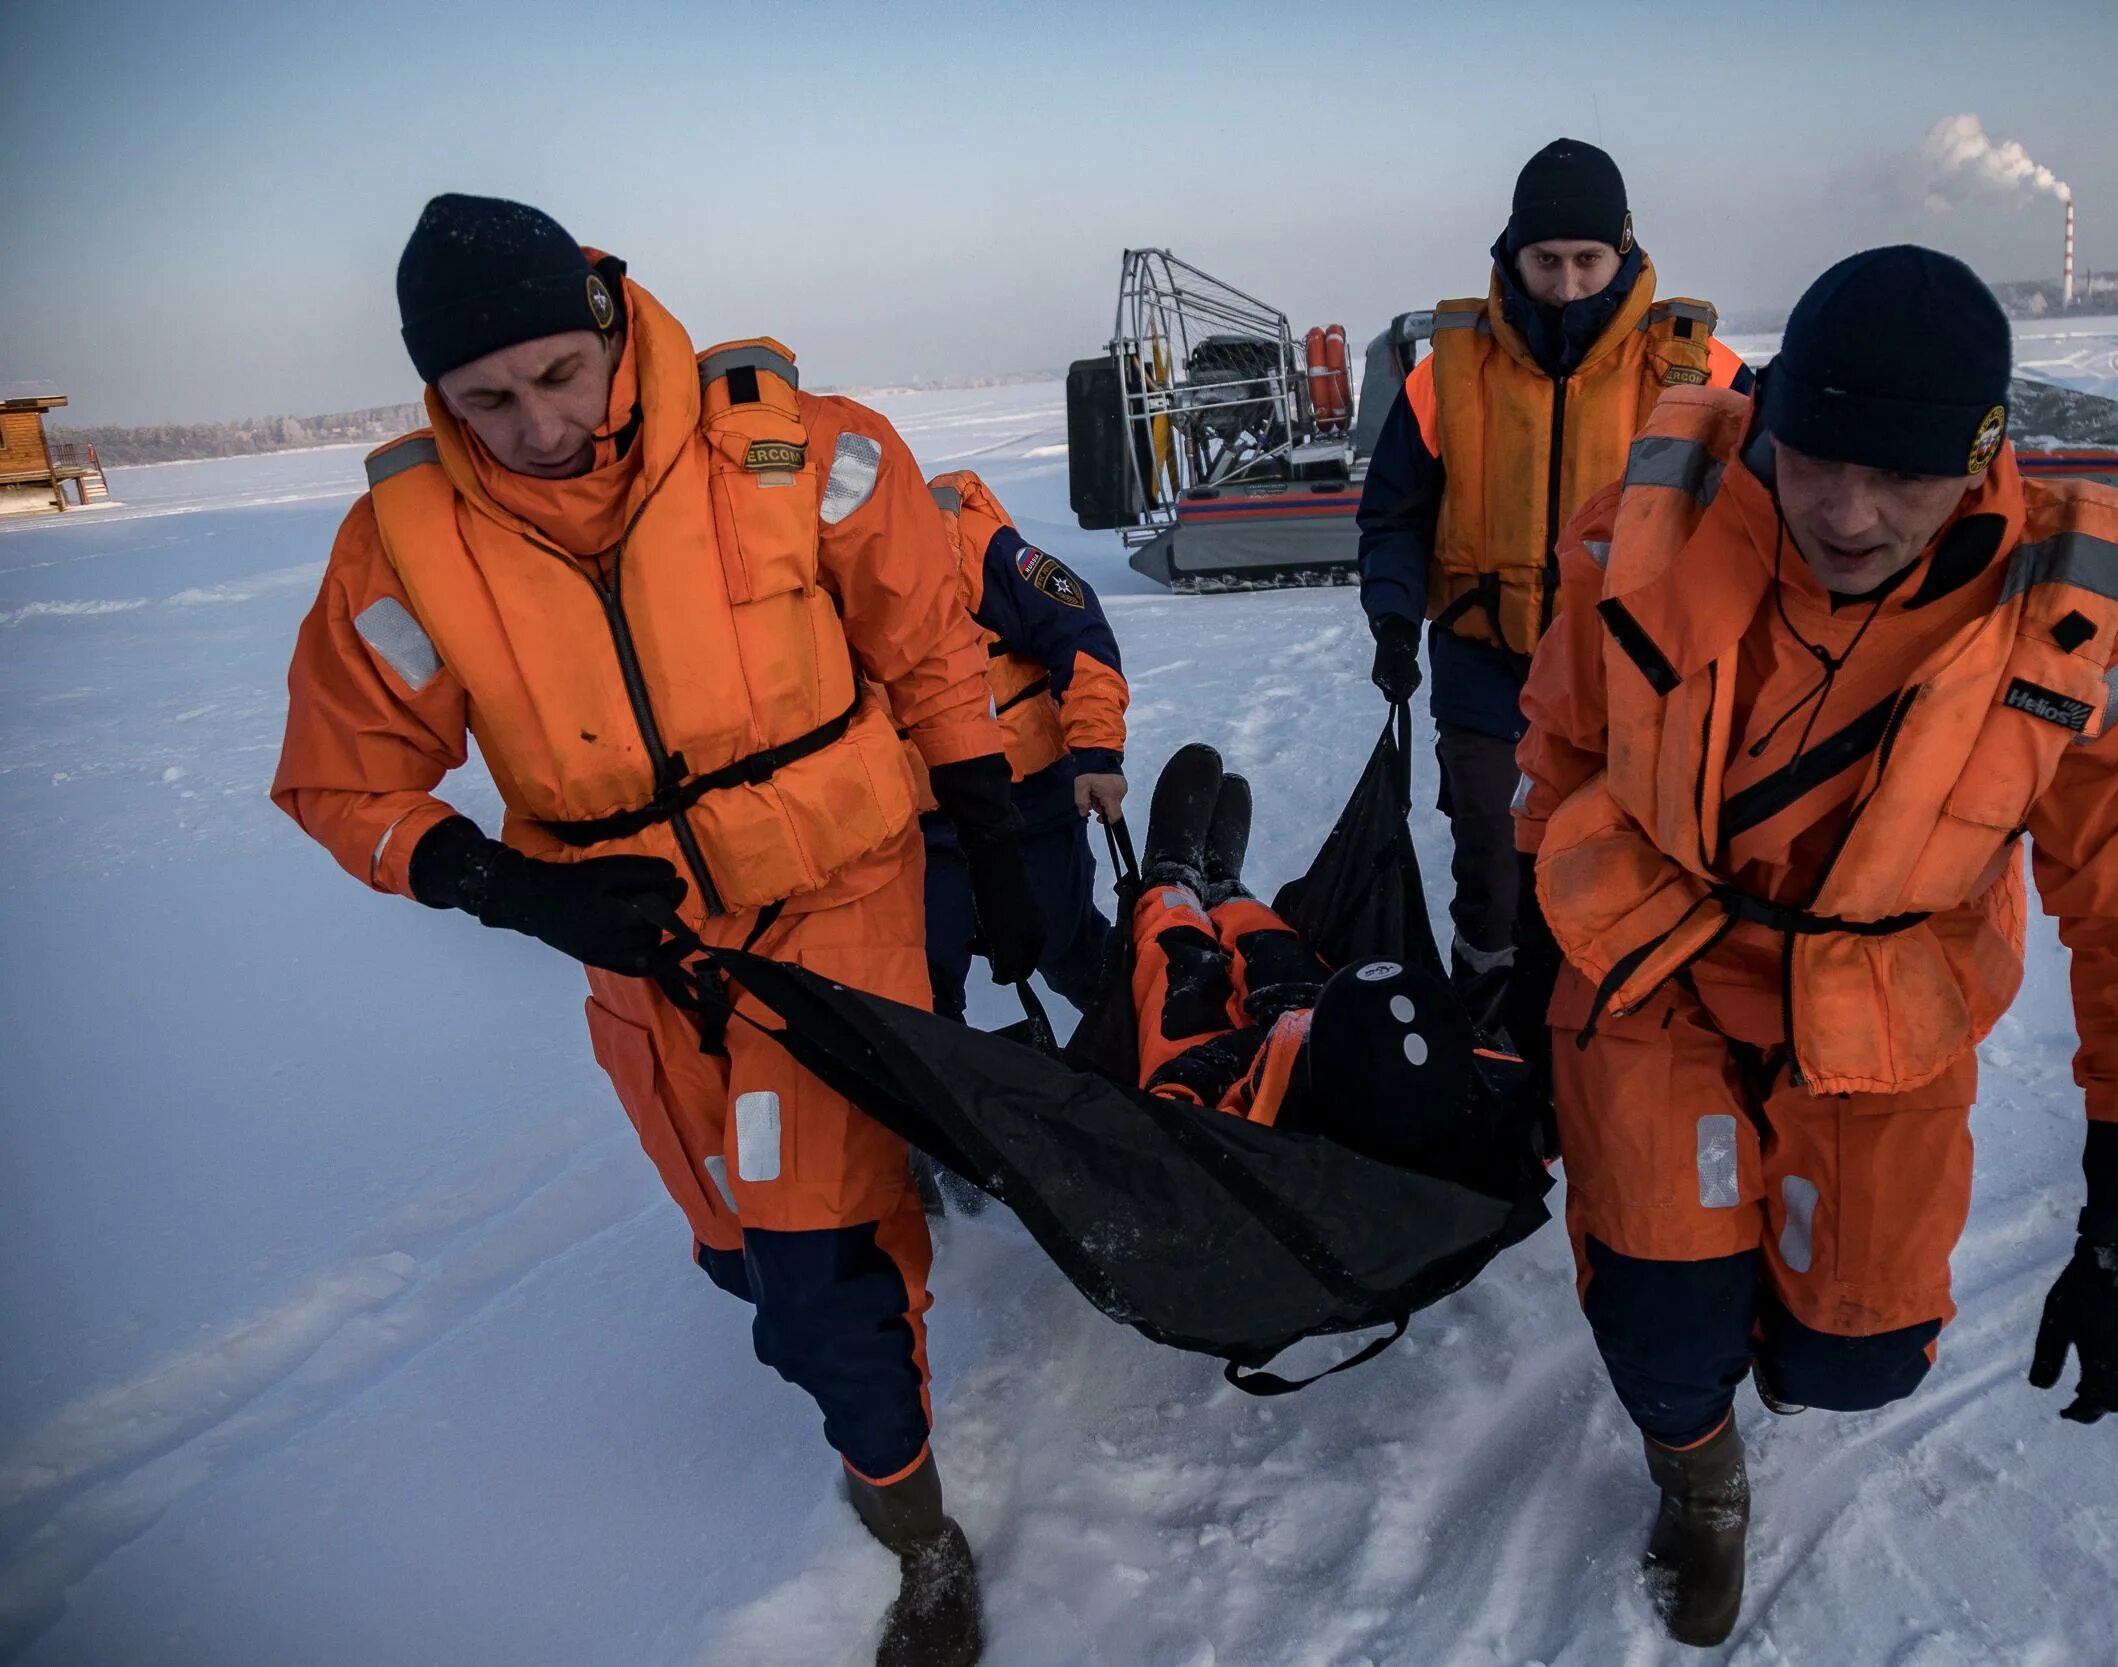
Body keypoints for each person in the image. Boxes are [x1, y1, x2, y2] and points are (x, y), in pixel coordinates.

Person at [271, 194, 1040, 1667]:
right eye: (485, 398)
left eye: (558, 373)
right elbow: (342, 775)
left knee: (821, 1273)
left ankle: (918, 1536)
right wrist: (499, 883)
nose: (538, 424)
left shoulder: (791, 448)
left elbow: (929, 642)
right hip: (644, 950)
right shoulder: (406, 547)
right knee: (740, 1254)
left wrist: (993, 832)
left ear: (610, 320)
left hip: (840, 899)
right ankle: (882, 1228)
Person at [1509, 245, 2118, 1647]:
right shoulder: (1637, 535)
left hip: (1887, 1010)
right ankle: (1698, 1478)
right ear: (1769, 422)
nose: (1845, 509)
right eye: (1816, 456)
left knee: (1856, 1358)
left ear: (1982, 459)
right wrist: (1517, 990)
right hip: (1655, 971)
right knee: (1663, 1323)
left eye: (1900, 472)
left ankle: (1784, 1353)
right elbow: (1561, 746)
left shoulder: (2081, 631)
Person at [1355, 137, 1750, 1033]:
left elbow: (1760, 525)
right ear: (1511, 254)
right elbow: (1395, 515)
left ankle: (1600, 1030)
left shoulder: (1703, 373)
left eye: (1586, 260)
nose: (1567, 285)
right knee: (1491, 862)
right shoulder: (1446, 372)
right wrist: (1390, 615)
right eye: (1546, 262)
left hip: (1632, 676)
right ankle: (1490, 1030)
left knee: (1619, 861)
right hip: (1485, 664)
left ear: (1623, 252)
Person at [1124, 742, 1482, 1179]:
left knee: (1179, 969)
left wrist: (1200, 1074)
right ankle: (1225, 890)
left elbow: (1175, 1115)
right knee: (1279, 950)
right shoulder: (1470, 1153)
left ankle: (1173, 878)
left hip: (1254, 1101)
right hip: (1338, 1039)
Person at [918, 469, 1126, 1023]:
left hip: (1026, 802)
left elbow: (1081, 639)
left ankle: (1149, 1050)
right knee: (922, 985)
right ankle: (948, 1101)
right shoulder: (820, 567)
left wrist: (1098, 756)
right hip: (920, 821)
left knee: (1064, 944)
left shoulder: (976, 548)